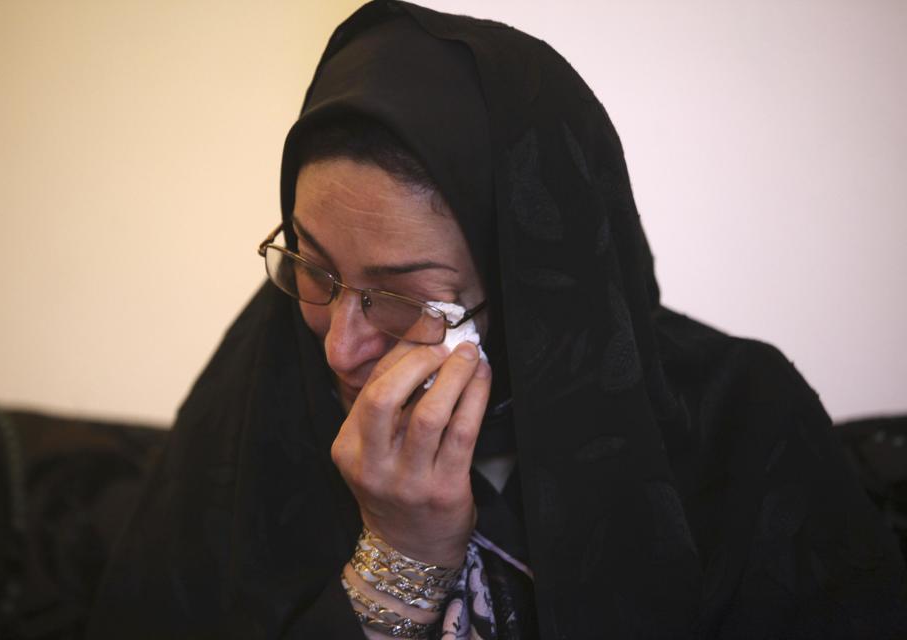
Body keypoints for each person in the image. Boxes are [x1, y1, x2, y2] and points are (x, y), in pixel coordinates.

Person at [86, 1, 906, 638]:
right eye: (314, 267)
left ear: (534, 293)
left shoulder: (741, 422)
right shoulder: (260, 380)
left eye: (403, 299)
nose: (339, 344)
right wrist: (400, 560)